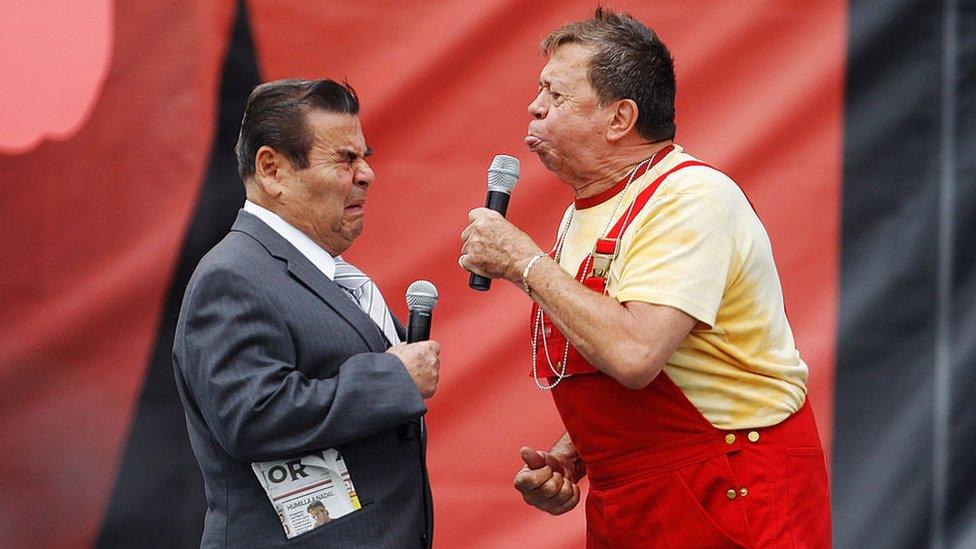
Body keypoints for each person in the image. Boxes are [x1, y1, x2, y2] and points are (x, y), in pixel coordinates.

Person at [460, 8, 830, 548]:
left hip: (730, 489)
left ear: (620, 118)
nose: (534, 107)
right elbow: (672, 368)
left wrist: (524, 261)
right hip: (632, 499)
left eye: (555, 95)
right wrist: (580, 448)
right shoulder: (585, 210)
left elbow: (635, 353)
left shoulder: (690, 196)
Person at [174, 79, 439, 548]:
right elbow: (252, 416)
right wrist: (392, 379)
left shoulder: (327, 275)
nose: (366, 174)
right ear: (272, 170)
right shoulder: (232, 277)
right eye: (344, 158)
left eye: (365, 156)